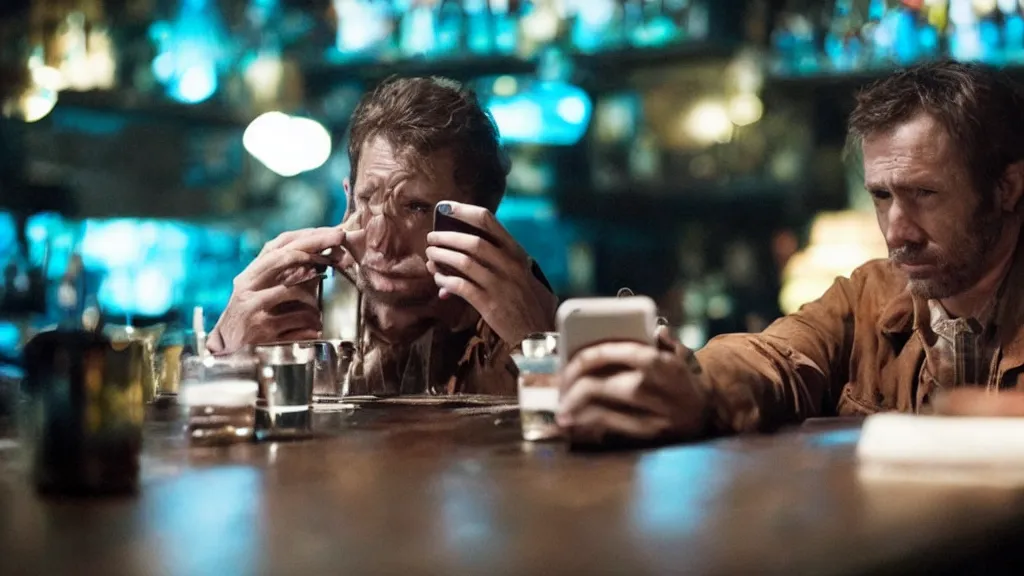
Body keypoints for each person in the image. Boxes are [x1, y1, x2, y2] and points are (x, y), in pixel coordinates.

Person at [558, 60, 1024, 444]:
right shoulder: (871, 294)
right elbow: (775, 355)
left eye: (924, 193)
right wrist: (695, 387)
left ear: (1007, 187)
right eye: (881, 197)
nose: (898, 232)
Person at [208, 77, 557, 395]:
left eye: (416, 208)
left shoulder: (520, 309)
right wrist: (225, 359)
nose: (380, 242)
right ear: (347, 199)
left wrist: (537, 350)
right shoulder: (297, 299)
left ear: (480, 214)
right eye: (366, 200)